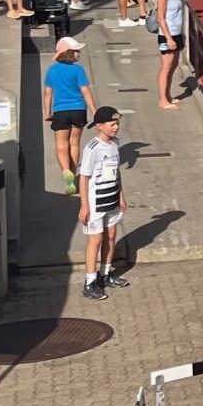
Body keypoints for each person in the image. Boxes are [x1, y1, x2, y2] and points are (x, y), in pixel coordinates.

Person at [77, 106, 126, 301]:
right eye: (112, 124)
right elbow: (84, 177)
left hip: (112, 198)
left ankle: (105, 274)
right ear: (99, 126)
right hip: (95, 201)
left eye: (117, 124)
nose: (116, 128)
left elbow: (117, 172)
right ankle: (90, 281)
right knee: (95, 239)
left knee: (111, 235)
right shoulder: (92, 148)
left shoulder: (115, 144)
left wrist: (121, 195)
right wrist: (84, 205)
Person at [41, 34, 93, 194]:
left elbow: (48, 94)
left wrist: (47, 112)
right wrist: (95, 110)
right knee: (75, 144)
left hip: (60, 111)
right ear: (69, 53)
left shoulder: (52, 70)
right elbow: (85, 91)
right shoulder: (78, 70)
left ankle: (65, 171)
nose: (79, 54)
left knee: (61, 145)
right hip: (78, 110)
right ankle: (74, 173)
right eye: (76, 51)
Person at [153, 0, 189, 109]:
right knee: (166, 66)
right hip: (167, 34)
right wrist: (168, 37)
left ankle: (167, 95)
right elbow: (160, 17)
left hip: (177, 32)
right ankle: (162, 100)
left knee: (173, 65)